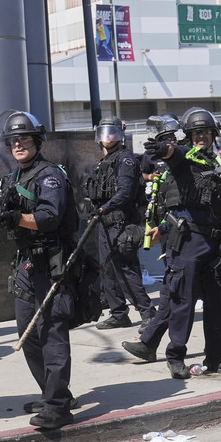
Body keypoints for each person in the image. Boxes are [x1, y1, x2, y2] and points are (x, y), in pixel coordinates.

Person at [0, 110, 80, 429]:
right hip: (27, 264)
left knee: (51, 334)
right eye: (13, 140)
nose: (18, 144)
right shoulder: (13, 178)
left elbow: (49, 218)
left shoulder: (49, 175)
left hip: (52, 262)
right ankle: (53, 393)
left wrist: (16, 218)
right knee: (27, 333)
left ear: (38, 141)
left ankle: (58, 407)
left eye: (24, 138)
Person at [142, 107, 221, 379]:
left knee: (216, 305)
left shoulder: (218, 164)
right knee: (182, 303)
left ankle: (215, 357)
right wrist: (164, 149)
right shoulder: (183, 158)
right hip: (187, 242)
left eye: (205, 132)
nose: (201, 137)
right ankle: (175, 357)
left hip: (215, 243)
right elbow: (174, 153)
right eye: (196, 133)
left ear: (213, 135)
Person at [84, 116, 156, 332]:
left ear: (120, 135)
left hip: (121, 224)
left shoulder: (125, 160)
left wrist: (104, 208)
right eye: (104, 134)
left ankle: (147, 313)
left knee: (126, 271)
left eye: (112, 133)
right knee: (107, 269)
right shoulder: (104, 162)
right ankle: (118, 313)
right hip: (104, 223)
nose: (107, 138)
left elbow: (125, 193)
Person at [124, 113, 181, 362]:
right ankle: (150, 343)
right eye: (164, 138)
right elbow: (140, 175)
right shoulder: (151, 157)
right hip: (170, 224)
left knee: (182, 289)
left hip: (193, 231)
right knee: (172, 287)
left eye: (172, 138)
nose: (170, 142)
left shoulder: (186, 157)